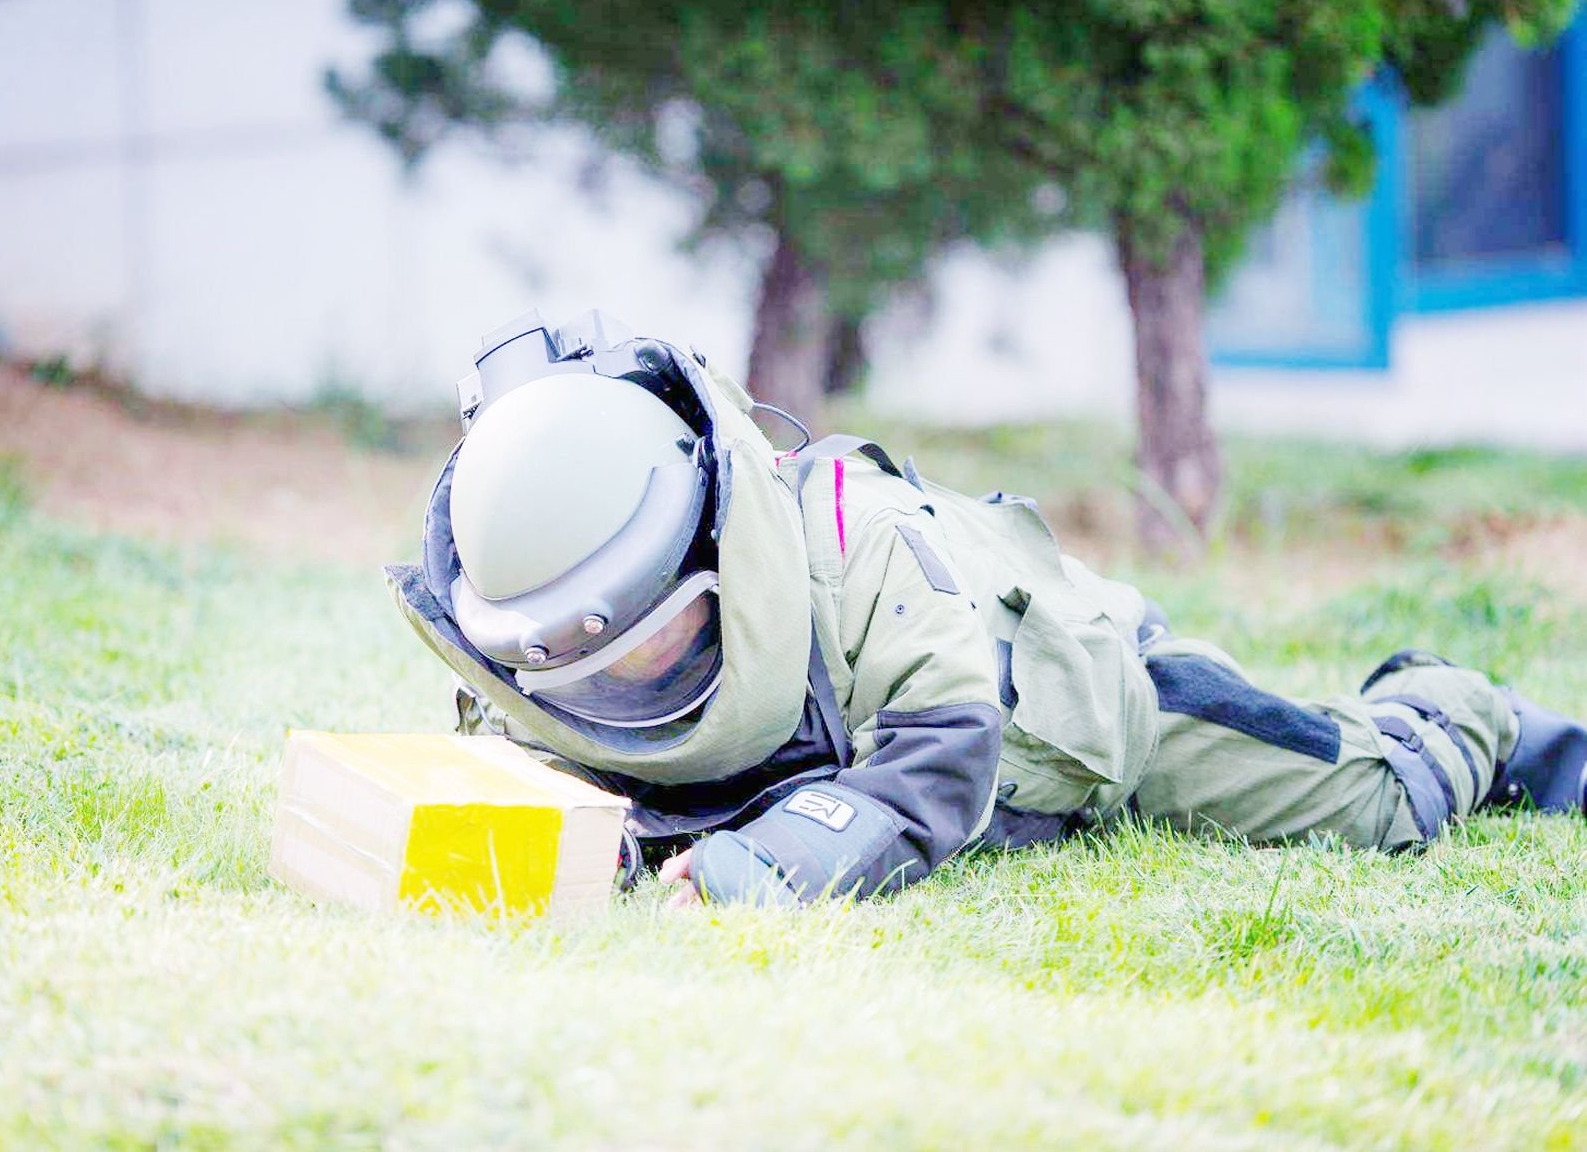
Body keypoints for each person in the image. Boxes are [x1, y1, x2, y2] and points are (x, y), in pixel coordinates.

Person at [388, 311, 1587, 907]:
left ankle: (1473, 711)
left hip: (1108, 696)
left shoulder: (858, 540)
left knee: (1381, 802)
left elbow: (939, 768)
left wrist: (771, 864)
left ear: (713, 540)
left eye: (672, 640)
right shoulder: (543, 638)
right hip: (1019, 761)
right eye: (600, 672)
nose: (634, 684)